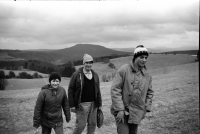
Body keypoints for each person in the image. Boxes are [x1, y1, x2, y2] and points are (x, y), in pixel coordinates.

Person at [110, 45, 154, 134]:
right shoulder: (124, 70)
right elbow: (115, 90)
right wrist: (120, 109)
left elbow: (150, 92)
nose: (144, 60)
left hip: (137, 112)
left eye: (146, 57)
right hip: (122, 111)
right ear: (135, 57)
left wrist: (145, 108)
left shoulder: (147, 75)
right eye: (141, 57)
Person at [68, 54, 102, 134]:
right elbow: (70, 90)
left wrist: (99, 103)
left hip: (93, 104)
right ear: (83, 63)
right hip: (81, 105)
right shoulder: (76, 75)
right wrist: (72, 105)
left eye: (90, 62)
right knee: (81, 125)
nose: (88, 64)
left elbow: (98, 90)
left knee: (92, 124)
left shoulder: (95, 75)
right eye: (86, 62)